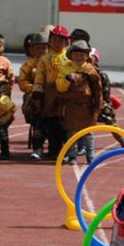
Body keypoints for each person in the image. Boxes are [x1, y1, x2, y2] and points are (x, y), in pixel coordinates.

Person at [56, 39, 102, 164]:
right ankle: (72, 156)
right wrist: (67, 80)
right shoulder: (65, 69)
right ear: (70, 55)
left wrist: (98, 105)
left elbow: (97, 89)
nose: (79, 57)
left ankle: (90, 156)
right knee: (71, 133)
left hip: (86, 106)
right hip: (71, 106)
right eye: (76, 54)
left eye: (82, 54)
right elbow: (59, 87)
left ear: (87, 56)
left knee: (88, 134)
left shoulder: (90, 70)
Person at [31, 25, 71, 159]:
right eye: (54, 40)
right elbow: (39, 78)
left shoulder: (69, 58)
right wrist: (37, 95)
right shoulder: (44, 59)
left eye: (61, 40)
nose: (57, 43)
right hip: (49, 93)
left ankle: (68, 151)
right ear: (49, 41)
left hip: (65, 93)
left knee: (65, 122)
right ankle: (53, 150)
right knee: (51, 121)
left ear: (67, 42)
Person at [18, 32, 49, 160]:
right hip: (35, 98)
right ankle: (38, 148)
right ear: (32, 49)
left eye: (43, 47)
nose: (41, 50)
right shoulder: (28, 65)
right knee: (37, 120)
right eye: (38, 48)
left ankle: (56, 148)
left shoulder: (53, 62)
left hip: (51, 97)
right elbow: (22, 82)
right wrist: (36, 89)